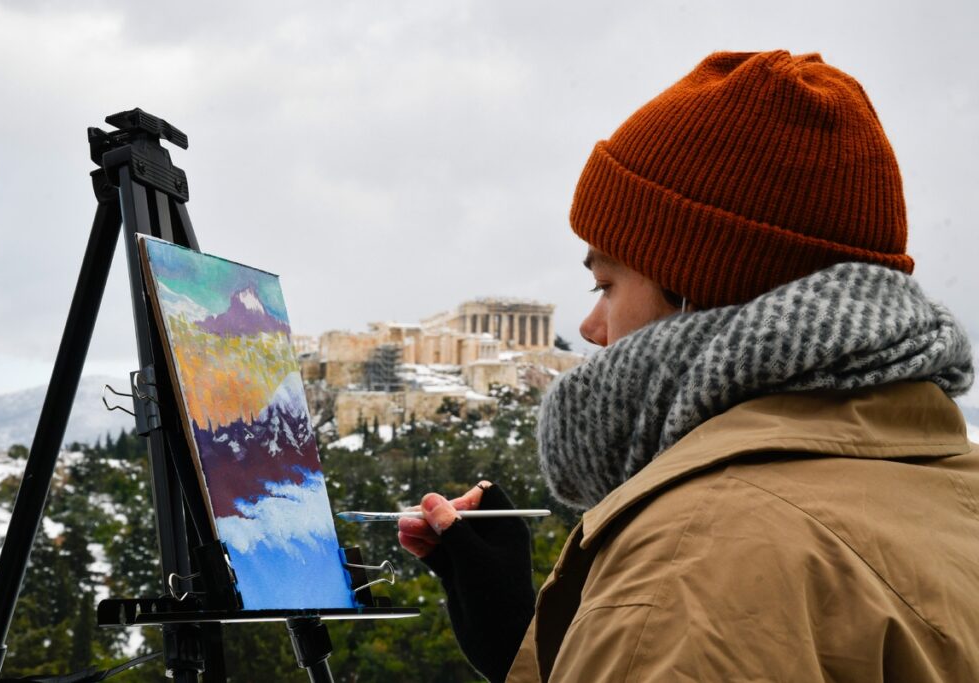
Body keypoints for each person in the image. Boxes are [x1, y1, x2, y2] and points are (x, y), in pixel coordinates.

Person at [398, 50, 979, 682]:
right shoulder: (954, 491)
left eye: (605, 286)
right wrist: (529, 646)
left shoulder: (695, 557)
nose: (592, 331)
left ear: (696, 295)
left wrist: (632, 616)